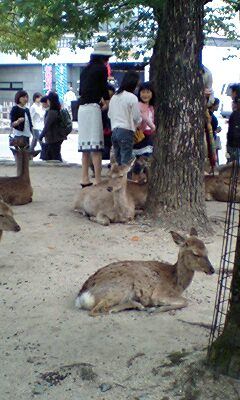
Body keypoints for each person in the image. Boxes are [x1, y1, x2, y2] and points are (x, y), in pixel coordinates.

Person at [78, 41, 112, 187]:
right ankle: (98, 179)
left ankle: (84, 178)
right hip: (93, 108)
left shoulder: (85, 69)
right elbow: (104, 90)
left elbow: (82, 91)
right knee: (96, 147)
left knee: (85, 147)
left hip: (82, 109)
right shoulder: (101, 69)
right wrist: (107, 102)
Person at [108, 71, 141, 165]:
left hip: (114, 131)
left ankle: (118, 179)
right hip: (126, 131)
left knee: (119, 161)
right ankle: (124, 179)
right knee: (126, 162)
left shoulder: (114, 97)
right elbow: (136, 117)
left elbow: (109, 115)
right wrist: (139, 122)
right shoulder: (132, 97)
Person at [133, 82, 155, 158]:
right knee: (142, 158)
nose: (145, 95)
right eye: (143, 92)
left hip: (149, 136)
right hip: (141, 136)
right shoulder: (139, 105)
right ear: (139, 93)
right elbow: (144, 117)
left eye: (148, 92)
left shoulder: (151, 107)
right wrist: (153, 127)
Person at [39, 92, 63, 162]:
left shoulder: (52, 112)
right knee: (55, 156)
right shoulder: (56, 110)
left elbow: (47, 126)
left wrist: (41, 136)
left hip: (53, 138)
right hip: (56, 138)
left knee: (55, 157)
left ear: (51, 101)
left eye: (48, 100)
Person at [227, 96, 240, 163]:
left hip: (235, 144)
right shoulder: (235, 114)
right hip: (234, 144)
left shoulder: (236, 114)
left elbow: (234, 132)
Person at [208, 98, 222, 164]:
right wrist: (217, 130)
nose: (218, 106)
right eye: (217, 105)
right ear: (213, 105)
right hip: (211, 140)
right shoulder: (211, 116)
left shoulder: (210, 114)